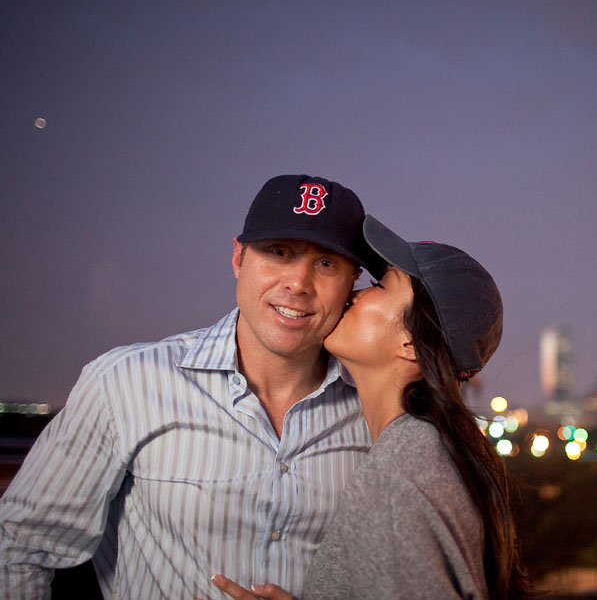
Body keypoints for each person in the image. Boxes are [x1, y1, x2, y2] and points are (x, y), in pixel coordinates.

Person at [0, 175, 375, 599]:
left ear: (353, 282)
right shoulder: (126, 382)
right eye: (279, 252)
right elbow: (18, 549)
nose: (298, 284)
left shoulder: (374, 413)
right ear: (238, 257)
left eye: (326, 264)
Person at [210, 216, 529, 600]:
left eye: (380, 287)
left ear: (411, 343)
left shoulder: (399, 472)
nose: (355, 295)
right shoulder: (426, 450)